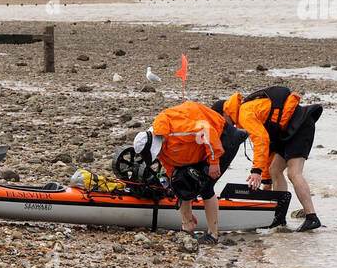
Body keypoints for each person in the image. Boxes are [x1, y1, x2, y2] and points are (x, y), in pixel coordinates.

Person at [132, 100, 247, 244]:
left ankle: (213, 233)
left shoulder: (177, 131)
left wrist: (213, 161)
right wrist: (176, 188)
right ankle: (187, 227)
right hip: (201, 145)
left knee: (206, 187)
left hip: (222, 137)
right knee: (181, 182)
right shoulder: (162, 147)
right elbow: (171, 169)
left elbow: (207, 130)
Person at [213, 86, 322, 231]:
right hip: (287, 130)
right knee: (275, 170)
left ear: (224, 114)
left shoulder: (244, 114)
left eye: (219, 121)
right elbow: (268, 145)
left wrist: (256, 171)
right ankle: (279, 217)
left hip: (300, 124)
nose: (221, 126)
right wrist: (266, 179)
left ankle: (311, 217)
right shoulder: (243, 114)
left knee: (293, 173)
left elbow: (262, 140)